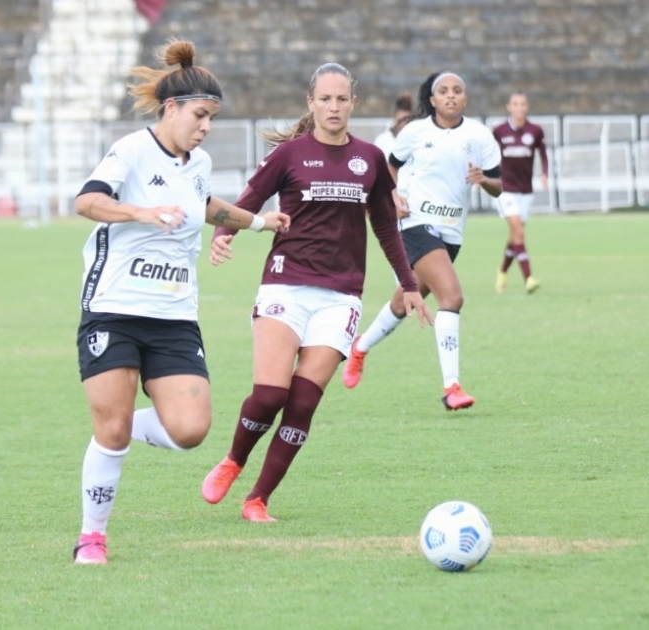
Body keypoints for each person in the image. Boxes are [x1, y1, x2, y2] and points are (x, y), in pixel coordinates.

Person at [71, 39, 289, 564]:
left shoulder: (199, 161)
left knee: (190, 431)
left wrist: (259, 221)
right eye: (199, 114)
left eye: (211, 117)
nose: (205, 125)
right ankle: (92, 537)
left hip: (174, 317)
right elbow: (87, 201)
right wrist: (141, 213)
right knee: (114, 431)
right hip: (115, 308)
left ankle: (116, 423)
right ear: (171, 108)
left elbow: (204, 204)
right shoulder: (131, 150)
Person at [200, 62, 433, 522]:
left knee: (304, 402)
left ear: (353, 103)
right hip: (285, 283)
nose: (333, 106)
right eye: (325, 98)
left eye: (341, 98)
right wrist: (224, 235)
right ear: (311, 102)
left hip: (340, 295)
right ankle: (233, 460)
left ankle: (258, 499)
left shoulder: (369, 159)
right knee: (269, 396)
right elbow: (248, 201)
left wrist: (409, 284)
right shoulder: (290, 155)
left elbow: (386, 226)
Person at [342, 71, 502, 411]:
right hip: (415, 224)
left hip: (451, 231)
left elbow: (498, 185)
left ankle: (360, 347)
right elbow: (390, 167)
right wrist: (393, 196)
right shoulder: (415, 132)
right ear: (431, 99)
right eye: (443, 91)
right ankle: (451, 388)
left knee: (403, 303)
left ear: (465, 97)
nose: (450, 96)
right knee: (452, 297)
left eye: (457, 90)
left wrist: (483, 180)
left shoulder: (479, 135)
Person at [492, 91, 548, 294]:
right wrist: (484, 177)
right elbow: (488, 155)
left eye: (523, 104)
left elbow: (543, 154)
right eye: (515, 104)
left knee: (515, 236)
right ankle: (529, 278)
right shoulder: (498, 131)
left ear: (527, 107)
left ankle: (502, 271)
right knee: (518, 232)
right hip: (505, 190)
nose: (519, 108)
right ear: (509, 107)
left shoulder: (535, 131)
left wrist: (544, 174)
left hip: (525, 190)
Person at [373, 91, 415, 157]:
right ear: (394, 118)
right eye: (400, 120)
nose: (403, 124)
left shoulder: (416, 140)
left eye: (407, 121)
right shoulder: (382, 141)